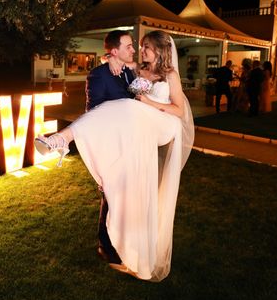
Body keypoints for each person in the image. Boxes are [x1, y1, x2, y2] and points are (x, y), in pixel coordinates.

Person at [35, 30, 194, 281]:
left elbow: (179, 110)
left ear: (160, 50)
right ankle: (124, 246)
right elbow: (119, 64)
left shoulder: (170, 74)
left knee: (129, 105)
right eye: (137, 47)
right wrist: (110, 59)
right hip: (135, 134)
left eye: (145, 48)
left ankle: (63, 137)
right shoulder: (137, 71)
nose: (140, 51)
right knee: (132, 191)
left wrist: (148, 103)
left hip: (164, 125)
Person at [84, 29, 137, 268]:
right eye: (128, 46)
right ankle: (105, 245)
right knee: (111, 196)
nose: (133, 49)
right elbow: (93, 113)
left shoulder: (130, 72)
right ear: (114, 51)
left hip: (131, 143)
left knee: (127, 196)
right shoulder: (98, 75)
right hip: (110, 145)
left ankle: (122, 238)